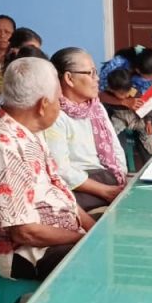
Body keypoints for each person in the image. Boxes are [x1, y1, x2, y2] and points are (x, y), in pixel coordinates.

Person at [0, 57, 95, 281]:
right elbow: (25, 232)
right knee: (104, 262)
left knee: (119, 238)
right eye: (58, 100)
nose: (61, 105)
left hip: (60, 234)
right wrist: (85, 239)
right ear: (43, 105)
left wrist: (95, 230)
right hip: (31, 252)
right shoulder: (0, 149)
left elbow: (61, 192)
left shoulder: (28, 129)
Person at [50, 47, 128, 212]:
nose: (97, 79)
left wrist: (121, 176)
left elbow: (115, 148)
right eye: (90, 73)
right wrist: (104, 191)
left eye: (95, 72)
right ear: (69, 78)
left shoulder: (96, 107)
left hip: (108, 178)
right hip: (83, 186)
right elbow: (61, 169)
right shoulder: (55, 115)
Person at [103, 65, 152, 169]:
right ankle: (110, 158)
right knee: (111, 133)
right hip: (120, 118)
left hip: (137, 117)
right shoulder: (107, 92)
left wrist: (148, 122)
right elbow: (100, 98)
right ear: (111, 90)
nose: (126, 96)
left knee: (147, 134)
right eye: (122, 94)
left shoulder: (133, 91)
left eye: (127, 91)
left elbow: (146, 107)